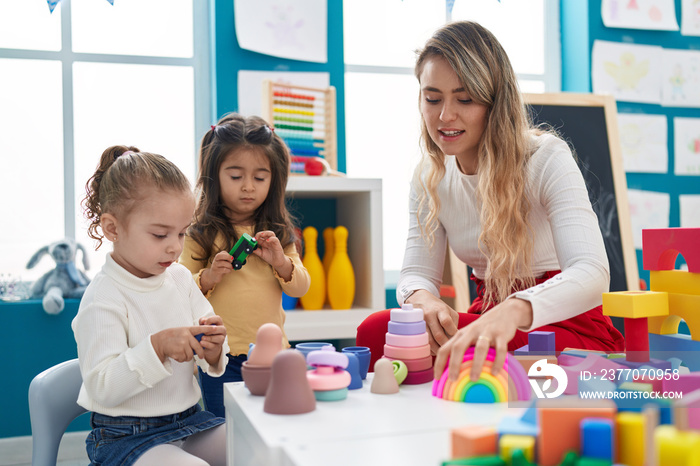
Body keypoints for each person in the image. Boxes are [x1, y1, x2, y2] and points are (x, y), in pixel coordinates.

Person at [356, 21, 624, 384]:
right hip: (490, 319)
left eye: (464, 99)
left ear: (494, 102)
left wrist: (514, 310)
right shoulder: (428, 175)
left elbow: (592, 274)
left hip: (561, 326)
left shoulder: (545, 158)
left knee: (419, 345)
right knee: (379, 331)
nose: (445, 116)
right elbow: (416, 273)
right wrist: (423, 300)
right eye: (432, 98)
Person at [74, 146, 229, 466]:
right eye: (160, 234)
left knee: (253, 446)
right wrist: (156, 348)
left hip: (189, 422)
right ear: (113, 228)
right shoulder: (103, 297)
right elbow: (102, 387)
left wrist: (213, 349)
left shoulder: (181, 278)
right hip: (126, 437)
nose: (174, 246)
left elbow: (209, 341)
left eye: (182, 232)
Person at [180, 113, 310, 416]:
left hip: (273, 353)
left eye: (260, 178)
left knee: (275, 422)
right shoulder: (201, 232)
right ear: (214, 175)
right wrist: (210, 276)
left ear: (273, 180)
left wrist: (280, 261)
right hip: (218, 355)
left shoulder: (278, 233)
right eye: (236, 177)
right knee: (225, 431)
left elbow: (302, 286)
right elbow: (180, 286)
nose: (248, 187)